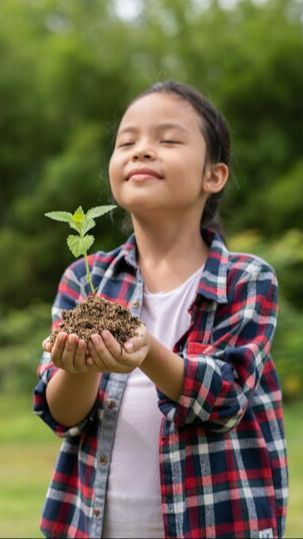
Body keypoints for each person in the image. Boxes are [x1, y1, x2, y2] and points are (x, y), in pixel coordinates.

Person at [33, 80, 288, 539]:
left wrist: (145, 350)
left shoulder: (246, 279)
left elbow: (225, 398)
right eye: (127, 142)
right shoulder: (86, 279)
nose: (142, 151)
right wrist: (77, 365)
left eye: (167, 140)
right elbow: (62, 415)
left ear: (214, 176)